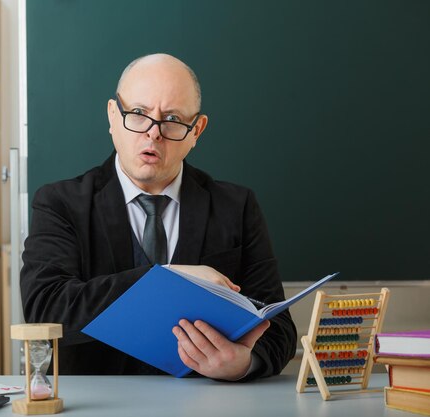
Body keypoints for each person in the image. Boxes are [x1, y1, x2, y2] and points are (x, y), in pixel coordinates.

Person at [20, 53, 296, 381]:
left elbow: (279, 329)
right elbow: (45, 310)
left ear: (197, 130)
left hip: (205, 404)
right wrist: (163, 278)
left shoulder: (236, 206)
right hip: (96, 404)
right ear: (112, 115)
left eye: (173, 119)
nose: (154, 133)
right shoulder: (59, 203)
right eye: (138, 114)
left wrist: (243, 364)